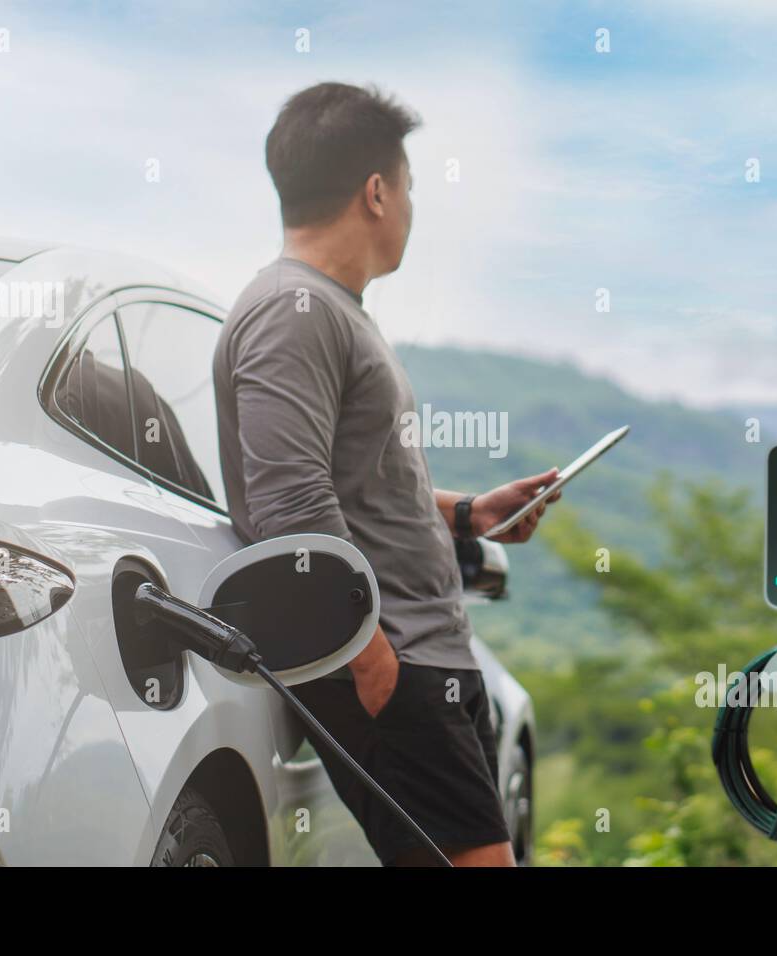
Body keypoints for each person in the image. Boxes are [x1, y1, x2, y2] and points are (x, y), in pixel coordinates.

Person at [212, 82, 559, 867]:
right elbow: (291, 502)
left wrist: (469, 512)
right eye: (407, 187)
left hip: (425, 654)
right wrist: (372, 662)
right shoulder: (289, 312)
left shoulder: (331, 310)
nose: (409, 206)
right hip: (394, 660)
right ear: (376, 191)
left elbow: (363, 484)